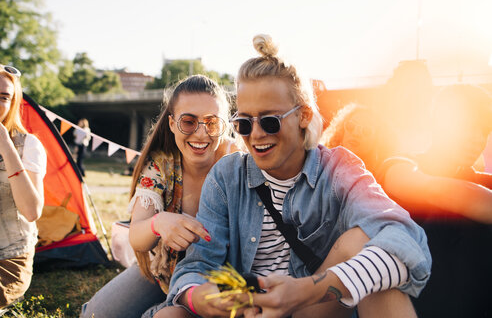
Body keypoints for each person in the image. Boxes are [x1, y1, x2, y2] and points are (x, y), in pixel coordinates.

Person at [161, 35, 431, 318]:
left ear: (303, 115)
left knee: (363, 242)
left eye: (269, 121)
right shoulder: (226, 176)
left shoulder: (339, 169)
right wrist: (199, 297)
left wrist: (307, 290)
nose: (255, 135)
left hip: (314, 309)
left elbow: (406, 242)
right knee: (170, 315)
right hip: (246, 312)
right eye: (243, 123)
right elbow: (196, 266)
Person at [324, 84, 492, 317]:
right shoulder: (400, 166)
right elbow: (431, 189)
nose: (476, 138)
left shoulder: (484, 182)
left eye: (483, 130)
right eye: (467, 126)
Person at [80, 74, 239, 318]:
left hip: (218, 276)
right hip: (163, 271)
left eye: (212, 122)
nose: (200, 133)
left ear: (225, 125)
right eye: (188, 121)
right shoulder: (161, 164)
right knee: (95, 314)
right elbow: (137, 238)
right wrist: (159, 222)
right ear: (172, 123)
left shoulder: (236, 160)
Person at [0, 64, 46, 310]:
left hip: (8, 260)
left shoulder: (27, 145)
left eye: (3, 97)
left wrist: (6, 147)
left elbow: (31, 212)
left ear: (13, 102)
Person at [320, 103, 397, 174]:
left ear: (377, 141)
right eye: (351, 126)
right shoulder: (321, 163)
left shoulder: (383, 174)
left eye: (366, 131)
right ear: (341, 131)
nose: (356, 133)